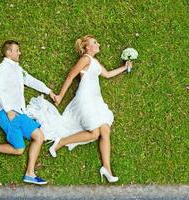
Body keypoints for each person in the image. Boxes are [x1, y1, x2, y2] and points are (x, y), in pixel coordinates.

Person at [27, 35, 132, 183]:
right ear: (87, 47)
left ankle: (106, 168)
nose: (98, 44)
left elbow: (107, 74)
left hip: (96, 100)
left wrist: (125, 67)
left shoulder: (94, 61)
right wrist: (60, 96)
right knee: (95, 133)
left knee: (105, 130)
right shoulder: (85, 59)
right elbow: (71, 76)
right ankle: (61, 142)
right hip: (86, 99)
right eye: (95, 42)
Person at [0, 40, 57, 185]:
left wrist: (49, 91)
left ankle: (30, 173)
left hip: (20, 114)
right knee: (19, 149)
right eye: (17, 50)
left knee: (39, 136)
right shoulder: (2, 68)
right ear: (8, 52)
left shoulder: (17, 69)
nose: (19, 53)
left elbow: (30, 80)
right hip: (7, 115)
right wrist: (8, 110)